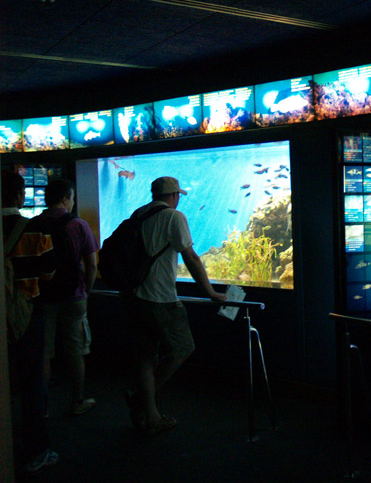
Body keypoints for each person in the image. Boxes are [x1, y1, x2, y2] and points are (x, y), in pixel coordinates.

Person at [123, 176, 226, 436]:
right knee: (182, 347)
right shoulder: (174, 217)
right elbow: (190, 256)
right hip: (161, 298)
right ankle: (140, 400)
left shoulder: (139, 213)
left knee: (146, 356)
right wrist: (211, 292)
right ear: (174, 195)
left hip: (135, 297)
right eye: (178, 194)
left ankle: (152, 414)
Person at [2, 170, 57, 474]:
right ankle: (36, 450)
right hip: (27, 314)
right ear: (20, 195)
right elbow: (48, 273)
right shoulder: (35, 229)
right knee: (31, 382)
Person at [32, 178, 99, 416]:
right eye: (71, 198)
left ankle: (43, 407)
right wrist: (86, 291)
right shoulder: (79, 225)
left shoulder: (32, 224)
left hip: (42, 297)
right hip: (74, 296)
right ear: (65, 198)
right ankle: (77, 400)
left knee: (44, 352)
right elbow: (91, 265)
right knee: (76, 350)